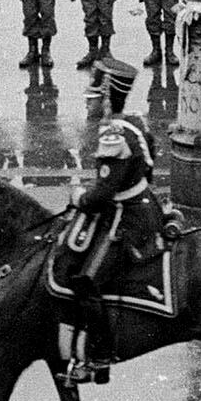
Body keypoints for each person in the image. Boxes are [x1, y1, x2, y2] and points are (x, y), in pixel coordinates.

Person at [60, 55, 163, 383]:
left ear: (106, 99)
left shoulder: (112, 136)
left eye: (92, 98)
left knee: (87, 281)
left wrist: (79, 197)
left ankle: (99, 357)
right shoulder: (134, 122)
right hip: (144, 204)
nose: (88, 104)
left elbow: (102, 196)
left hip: (127, 218)